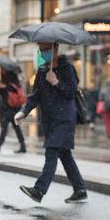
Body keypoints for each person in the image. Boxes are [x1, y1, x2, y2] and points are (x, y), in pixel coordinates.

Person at [14, 43, 88, 203]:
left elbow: (70, 92)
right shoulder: (42, 71)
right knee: (64, 154)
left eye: (46, 50)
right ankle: (80, 189)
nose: (43, 53)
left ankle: (39, 190)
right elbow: (35, 95)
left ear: (55, 49)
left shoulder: (67, 68)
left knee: (52, 151)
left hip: (65, 118)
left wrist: (56, 82)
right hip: (50, 120)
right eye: (41, 50)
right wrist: (23, 111)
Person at [0, 71, 26, 153]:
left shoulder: (9, 85)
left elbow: (0, 93)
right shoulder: (15, 84)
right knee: (16, 128)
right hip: (15, 109)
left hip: (10, 110)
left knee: (5, 127)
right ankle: (23, 146)